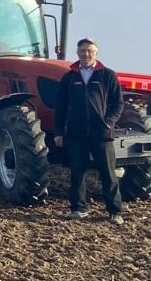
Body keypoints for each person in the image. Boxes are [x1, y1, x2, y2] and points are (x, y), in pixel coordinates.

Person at [53, 38, 125, 225]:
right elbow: (60, 107)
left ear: (96, 53)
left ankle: (115, 212)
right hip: (76, 133)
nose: (86, 54)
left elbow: (118, 104)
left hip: (101, 133)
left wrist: (108, 122)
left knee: (108, 173)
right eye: (83, 51)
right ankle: (78, 209)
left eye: (90, 51)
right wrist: (59, 132)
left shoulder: (107, 75)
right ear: (77, 53)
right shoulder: (69, 77)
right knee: (77, 172)